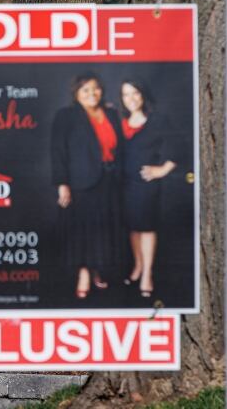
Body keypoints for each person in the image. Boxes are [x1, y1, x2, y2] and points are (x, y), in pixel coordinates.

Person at [51, 73, 124, 299]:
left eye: (95, 89)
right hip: (81, 182)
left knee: (103, 230)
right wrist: (62, 184)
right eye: (85, 90)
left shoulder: (111, 113)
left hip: (110, 180)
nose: (92, 94)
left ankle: (96, 270)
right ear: (76, 94)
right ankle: (83, 274)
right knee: (83, 230)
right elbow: (58, 151)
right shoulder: (66, 116)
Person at [119, 79, 177, 298]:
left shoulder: (157, 120)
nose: (131, 99)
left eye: (135, 93)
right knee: (132, 227)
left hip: (145, 184)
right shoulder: (119, 120)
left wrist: (161, 170)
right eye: (126, 95)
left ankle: (147, 275)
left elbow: (179, 147)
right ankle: (138, 266)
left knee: (146, 227)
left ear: (142, 94)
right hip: (123, 184)